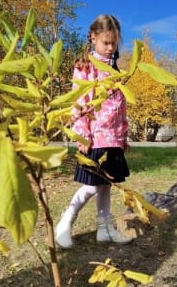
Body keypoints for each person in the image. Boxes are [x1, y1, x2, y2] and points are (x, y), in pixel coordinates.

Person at [55, 14, 132, 248]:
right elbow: (79, 101)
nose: (110, 48)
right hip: (95, 138)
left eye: (114, 43)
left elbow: (120, 106)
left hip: (113, 138)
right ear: (93, 38)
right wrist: (82, 135)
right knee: (91, 185)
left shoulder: (115, 69)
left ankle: (104, 228)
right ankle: (65, 221)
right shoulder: (85, 68)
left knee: (106, 185)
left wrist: (123, 135)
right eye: (105, 43)